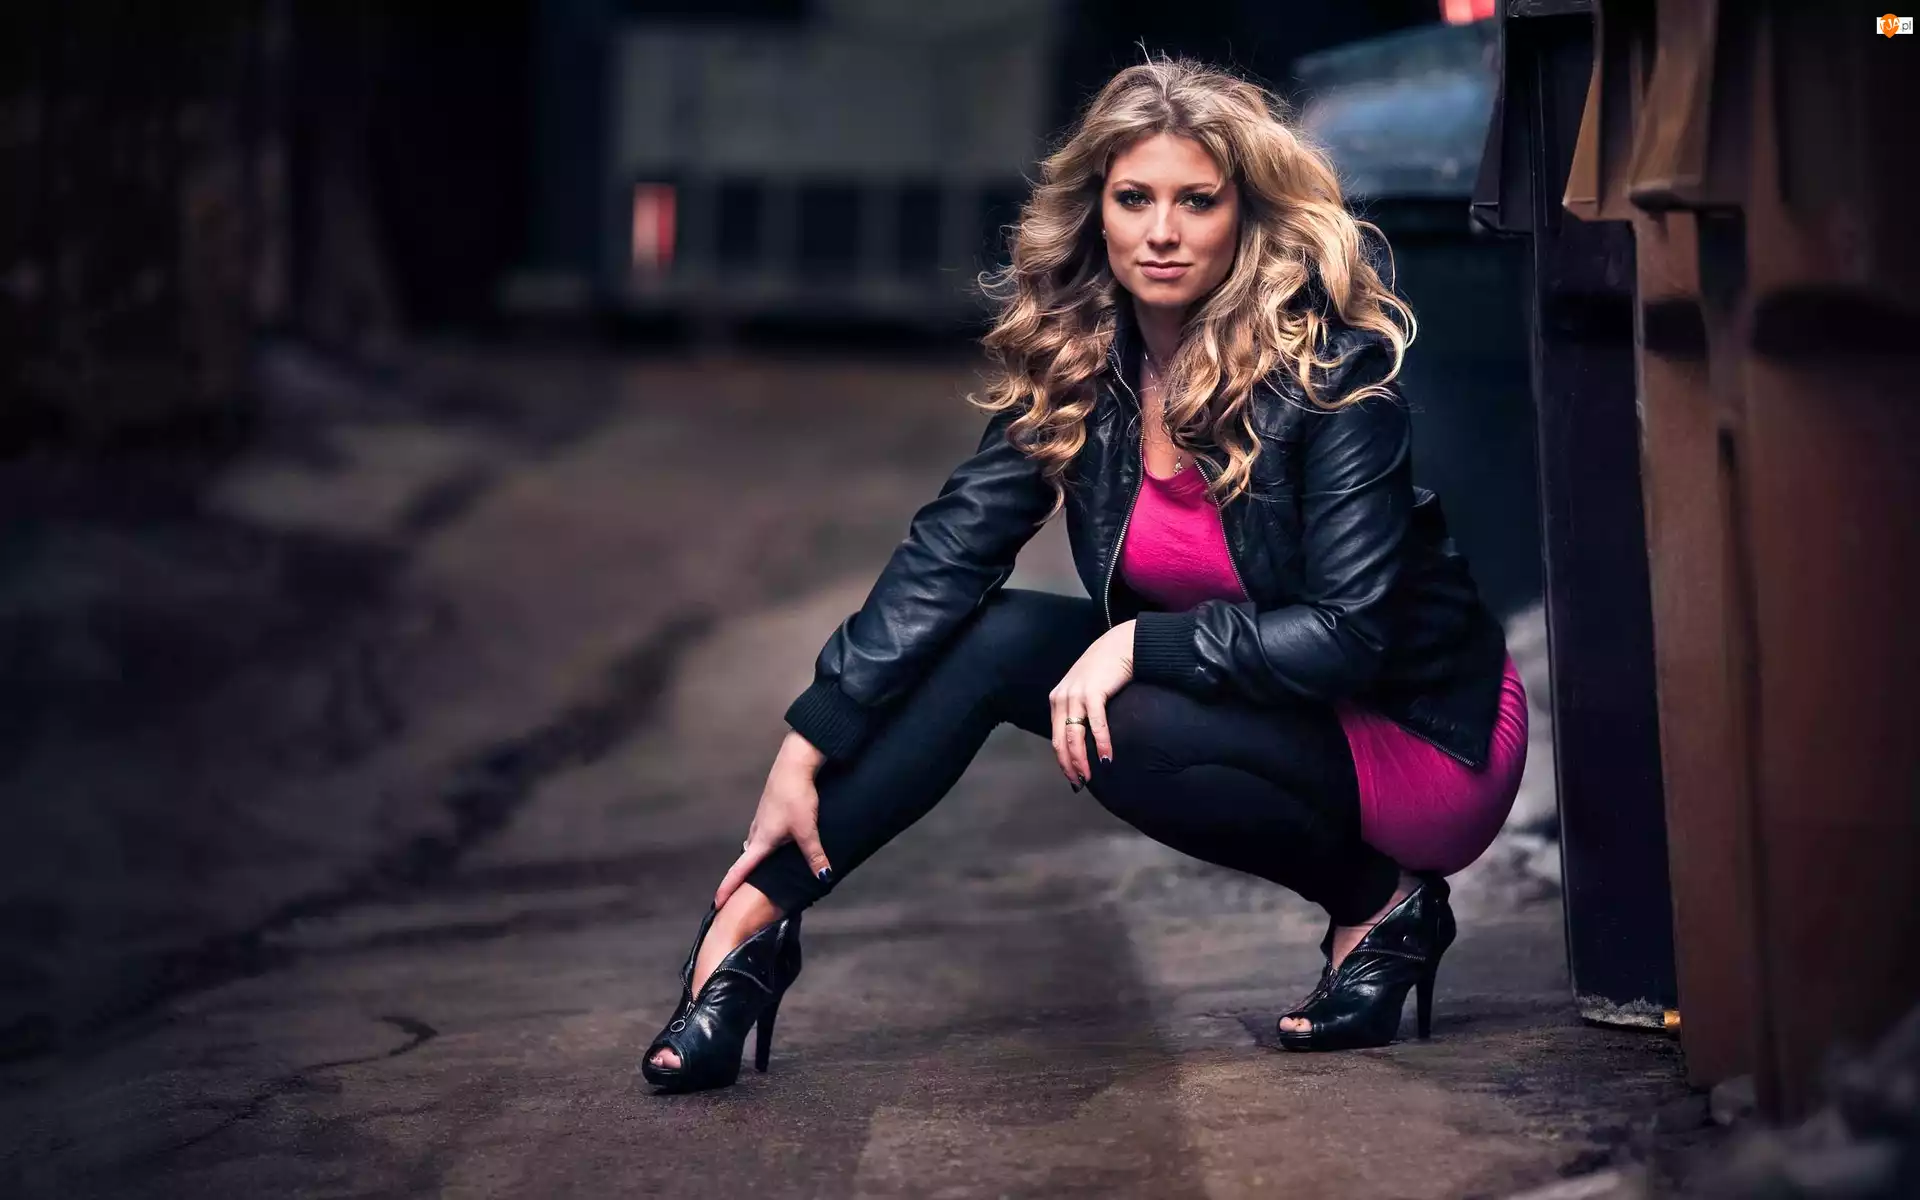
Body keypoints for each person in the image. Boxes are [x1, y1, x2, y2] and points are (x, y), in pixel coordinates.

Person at [641, 58, 1528, 1094]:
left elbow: (1349, 636)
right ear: (1095, 211)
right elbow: (953, 550)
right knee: (999, 639)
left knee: (1111, 709)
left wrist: (1139, 643)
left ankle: (1381, 901)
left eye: (1197, 201)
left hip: (1416, 735)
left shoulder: (1328, 378)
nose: (1163, 232)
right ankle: (751, 923)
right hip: (1262, 702)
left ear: (1245, 216)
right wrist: (814, 735)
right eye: (1135, 198)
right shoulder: (1087, 366)